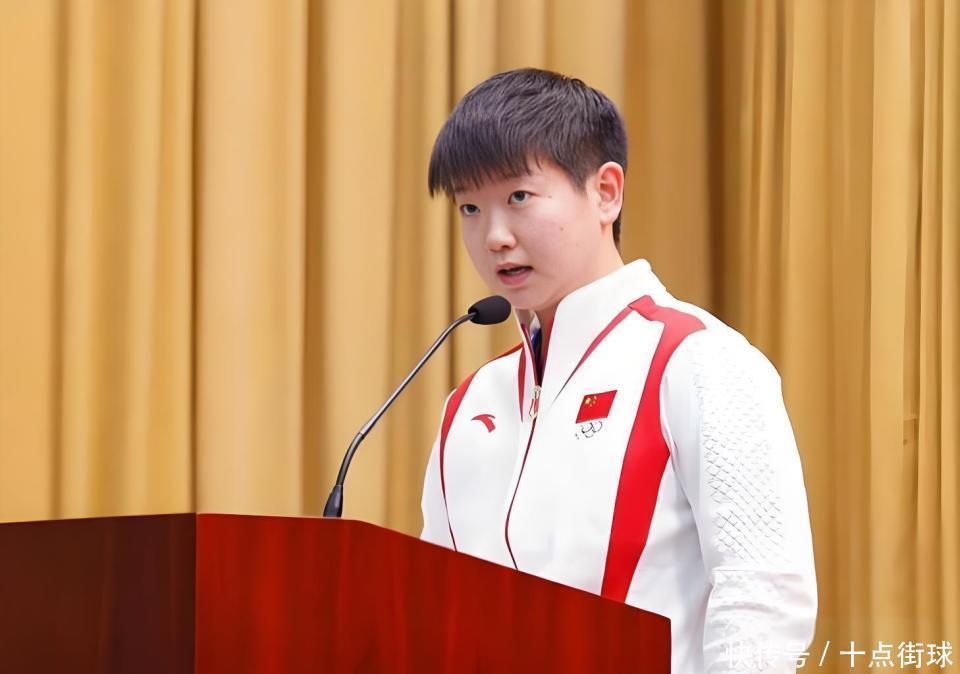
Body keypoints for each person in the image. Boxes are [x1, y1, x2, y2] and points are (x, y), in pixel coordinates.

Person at [419, 67, 817, 674]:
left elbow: (763, 596)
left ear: (606, 192)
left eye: (518, 197)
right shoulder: (471, 403)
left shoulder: (697, 359)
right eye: (470, 207)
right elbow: (434, 607)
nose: (494, 236)